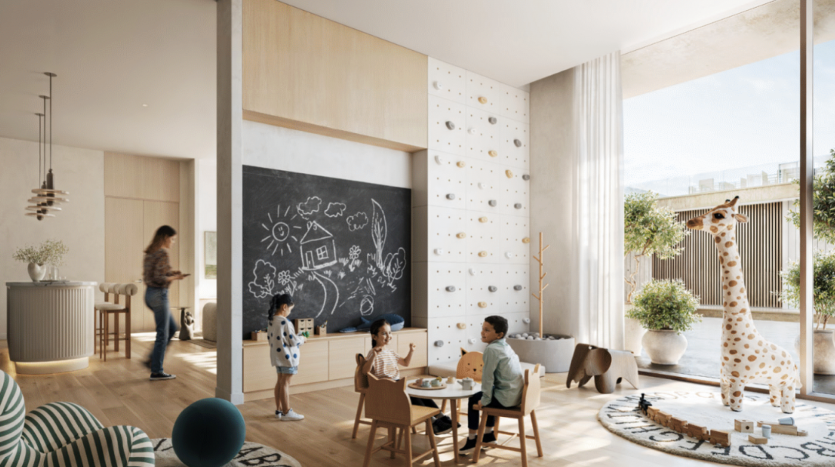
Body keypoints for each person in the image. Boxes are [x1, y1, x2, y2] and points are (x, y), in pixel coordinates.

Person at [362, 318, 455, 435]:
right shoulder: (373, 352)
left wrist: (411, 351)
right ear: (374, 337)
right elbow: (365, 371)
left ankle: (440, 416)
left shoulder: (390, 352)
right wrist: (373, 357)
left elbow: (406, 363)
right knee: (411, 395)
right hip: (385, 388)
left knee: (418, 393)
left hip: (396, 383)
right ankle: (433, 422)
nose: (388, 336)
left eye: (390, 332)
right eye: (384, 333)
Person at [459, 315, 524, 454]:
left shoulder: (491, 350)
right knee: (490, 392)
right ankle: (488, 435)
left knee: (474, 399)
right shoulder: (505, 346)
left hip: (506, 399)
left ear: (499, 334)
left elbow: (487, 378)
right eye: (483, 329)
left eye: (487, 330)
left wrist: (485, 400)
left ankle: (472, 439)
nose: (482, 332)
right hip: (516, 396)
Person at [143, 225, 188, 381]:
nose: (173, 242)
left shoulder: (150, 253)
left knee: (172, 328)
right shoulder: (162, 252)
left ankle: (152, 360)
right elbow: (159, 278)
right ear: (165, 237)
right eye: (172, 239)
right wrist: (176, 278)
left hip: (149, 294)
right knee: (163, 332)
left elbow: (156, 274)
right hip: (158, 295)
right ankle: (156, 370)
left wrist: (172, 273)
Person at [268, 293, 305, 421]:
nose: (290, 312)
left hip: (277, 357)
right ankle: (286, 411)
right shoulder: (285, 321)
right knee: (285, 383)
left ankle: (278, 410)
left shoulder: (272, 320)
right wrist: (303, 338)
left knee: (280, 382)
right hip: (288, 357)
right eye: (290, 309)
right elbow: (293, 341)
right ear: (284, 307)